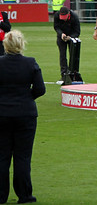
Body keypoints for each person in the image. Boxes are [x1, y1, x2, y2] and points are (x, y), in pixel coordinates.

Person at [0, 30, 46, 204]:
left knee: (2, 156)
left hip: (2, 113)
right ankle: (24, 194)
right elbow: (40, 89)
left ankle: (1, 195)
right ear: (21, 44)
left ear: (6, 45)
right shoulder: (30, 63)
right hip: (25, 114)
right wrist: (26, 98)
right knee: (23, 156)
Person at [53, 7, 81, 84]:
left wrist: (70, 37)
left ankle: (72, 74)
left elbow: (77, 31)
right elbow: (56, 27)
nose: (63, 19)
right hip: (61, 37)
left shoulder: (74, 17)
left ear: (68, 13)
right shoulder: (56, 16)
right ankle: (63, 75)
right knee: (62, 55)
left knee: (73, 56)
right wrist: (61, 34)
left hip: (72, 37)